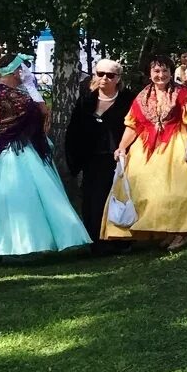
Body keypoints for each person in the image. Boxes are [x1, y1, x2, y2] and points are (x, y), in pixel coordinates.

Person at [0, 53, 91, 260]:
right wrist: (31, 99)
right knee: (14, 193)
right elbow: (15, 113)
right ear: (16, 71)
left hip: (29, 145)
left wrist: (32, 89)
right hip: (12, 147)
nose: (25, 72)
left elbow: (42, 112)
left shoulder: (22, 90)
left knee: (39, 192)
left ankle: (41, 241)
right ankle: (13, 242)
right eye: (22, 69)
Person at [104, 54, 187, 250]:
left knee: (178, 189)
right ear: (150, 73)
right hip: (148, 146)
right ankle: (166, 230)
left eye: (165, 70)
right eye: (156, 71)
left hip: (176, 142)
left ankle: (183, 231)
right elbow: (133, 125)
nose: (161, 75)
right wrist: (122, 146)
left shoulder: (182, 93)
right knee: (148, 189)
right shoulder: (142, 97)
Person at [65, 58, 137, 246]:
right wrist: (75, 161)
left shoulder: (129, 100)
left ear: (118, 78)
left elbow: (138, 127)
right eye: (100, 73)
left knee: (118, 198)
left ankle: (120, 241)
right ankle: (96, 242)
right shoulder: (86, 101)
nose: (104, 78)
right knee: (93, 200)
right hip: (92, 159)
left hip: (119, 159)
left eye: (110, 75)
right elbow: (74, 132)